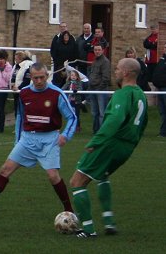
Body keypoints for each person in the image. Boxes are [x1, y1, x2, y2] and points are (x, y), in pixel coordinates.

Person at [0, 63, 77, 217]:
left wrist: (65, 135)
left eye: (42, 77)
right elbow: (20, 117)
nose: (39, 81)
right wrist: (17, 141)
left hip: (49, 139)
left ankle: (69, 211)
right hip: (27, 138)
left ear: (47, 76)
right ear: (30, 77)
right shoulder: (24, 93)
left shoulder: (56, 93)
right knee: (5, 169)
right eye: (35, 78)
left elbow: (72, 117)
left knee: (53, 176)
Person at [70, 58, 148, 238]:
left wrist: (96, 141)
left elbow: (115, 120)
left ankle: (88, 230)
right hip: (126, 148)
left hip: (111, 143)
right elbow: (143, 124)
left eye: (119, 69)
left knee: (77, 181)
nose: (116, 71)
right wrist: (131, 144)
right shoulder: (141, 95)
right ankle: (109, 221)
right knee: (102, 175)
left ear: (127, 73)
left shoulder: (123, 94)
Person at [88, 45, 111, 134]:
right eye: (95, 50)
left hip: (101, 90)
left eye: (99, 50)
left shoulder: (105, 61)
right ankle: (95, 130)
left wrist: (100, 87)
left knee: (102, 112)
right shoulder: (95, 61)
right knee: (94, 112)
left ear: (102, 51)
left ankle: (102, 131)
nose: (97, 51)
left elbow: (106, 77)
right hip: (92, 89)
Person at [50, 22, 75, 87]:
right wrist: (56, 60)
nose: (63, 28)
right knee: (57, 81)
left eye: (64, 26)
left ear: (66, 27)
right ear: (59, 28)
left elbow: (74, 50)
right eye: (61, 27)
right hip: (58, 64)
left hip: (69, 64)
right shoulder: (56, 38)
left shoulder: (71, 37)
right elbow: (52, 50)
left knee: (68, 81)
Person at [11, 50, 33, 117]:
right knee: (17, 110)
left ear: (20, 59)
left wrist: (19, 88)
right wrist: (12, 84)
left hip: (24, 91)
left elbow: (27, 80)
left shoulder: (28, 65)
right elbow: (14, 76)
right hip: (16, 92)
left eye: (16, 59)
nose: (15, 60)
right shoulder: (17, 66)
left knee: (23, 110)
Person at [152, 43, 166, 137]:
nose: (165, 48)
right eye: (164, 47)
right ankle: (163, 132)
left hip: (165, 89)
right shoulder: (162, 59)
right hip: (159, 89)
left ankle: (163, 132)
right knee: (162, 111)